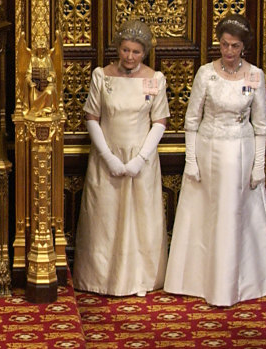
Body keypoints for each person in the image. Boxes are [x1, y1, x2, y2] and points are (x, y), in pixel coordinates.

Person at [164, 14, 266, 306]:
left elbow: (260, 125)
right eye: (224, 45)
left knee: (234, 216)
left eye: (234, 46)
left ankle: (232, 284)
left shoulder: (255, 75)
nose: (228, 51)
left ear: (244, 47)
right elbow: (191, 120)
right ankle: (198, 280)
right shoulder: (205, 73)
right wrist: (191, 160)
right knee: (205, 215)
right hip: (208, 151)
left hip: (240, 153)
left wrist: (258, 165)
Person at [73, 20, 170, 296]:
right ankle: (101, 279)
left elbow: (160, 121)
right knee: (105, 220)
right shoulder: (102, 76)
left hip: (141, 161)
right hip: (107, 159)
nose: (129, 57)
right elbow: (92, 116)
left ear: (145, 52)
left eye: (136, 52)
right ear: (118, 48)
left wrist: (140, 158)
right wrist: (108, 156)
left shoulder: (155, 79)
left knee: (140, 221)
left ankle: (141, 279)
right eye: (125, 50)